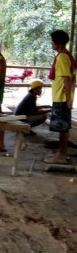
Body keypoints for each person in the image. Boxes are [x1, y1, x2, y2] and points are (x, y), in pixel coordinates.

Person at [43, 30, 76, 164]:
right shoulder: (66, 55)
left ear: (58, 42)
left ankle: (62, 156)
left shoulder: (62, 57)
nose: (51, 43)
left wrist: (68, 99)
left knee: (63, 128)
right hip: (62, 96)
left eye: (53, 41)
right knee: (63, 127)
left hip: (62, 97)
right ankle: (61, 153)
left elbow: (67, 79)